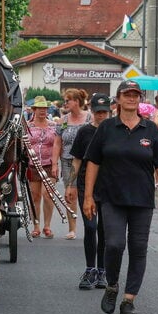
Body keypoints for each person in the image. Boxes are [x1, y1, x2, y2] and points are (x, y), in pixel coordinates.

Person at [83, 80, 158, 314]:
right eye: (127, 94)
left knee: (138, 248)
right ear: (119, 99)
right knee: (114, 244)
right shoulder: (106, 128)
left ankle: (129, 299)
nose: (131, 98)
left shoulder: (150, 130)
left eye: (135, 95)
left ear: (140, 99)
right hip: (111, 197)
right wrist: (88, 196)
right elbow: (93, 162)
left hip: (142, 199)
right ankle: (112, 285)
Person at [66, 93, 110, 290]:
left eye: (104, 112)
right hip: (86, 185)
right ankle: (90, 268)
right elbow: (76, 160)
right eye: (98, 112)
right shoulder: (84, 132)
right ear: (91, 111)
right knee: (91, 227)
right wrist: (70, 184)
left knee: (105, 230)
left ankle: (102, 270)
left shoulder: (113, 130)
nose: (101, 116)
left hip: (109, 186)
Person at [55, 88, 91, 240]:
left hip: (87, 161)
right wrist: (54, 164)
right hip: (68, 160)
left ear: (77, 101)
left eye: (68, 100)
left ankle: (91, 225)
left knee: (87, 192)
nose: (65, 103)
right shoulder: (63, 120)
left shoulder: (90, 118)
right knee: (71, 194)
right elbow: (57, 143)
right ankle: (72, 229)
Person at [26, 96, 60, 239]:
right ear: (34, 110)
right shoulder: (28, 125)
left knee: (48, 195)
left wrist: (55, 164)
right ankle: (36, 226)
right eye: (39, 108)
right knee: (35, 196)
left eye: (44, 108)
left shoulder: (53, 125)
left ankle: (47, 226)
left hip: (48, 164)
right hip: (32, 164)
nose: (42, 111)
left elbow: (58, 145)